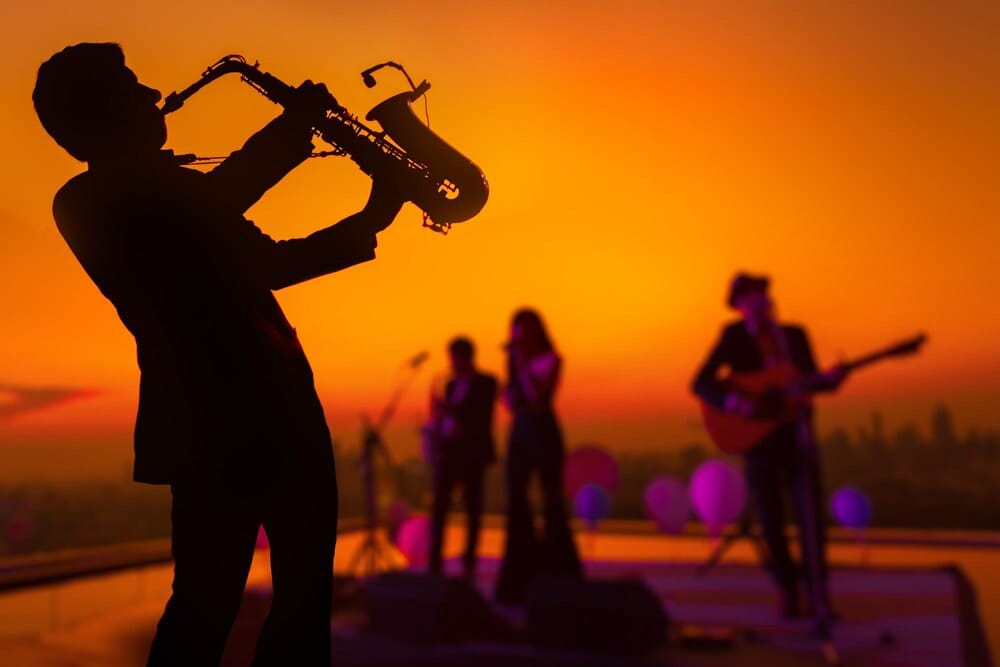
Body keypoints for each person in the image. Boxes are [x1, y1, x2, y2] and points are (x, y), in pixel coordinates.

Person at [33, 43, 406, 666]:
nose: (153, 95)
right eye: (133, 87)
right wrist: (367, 209)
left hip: (244, 419)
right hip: (242, 423)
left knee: (244, 604)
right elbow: (243, 235)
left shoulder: (136, 195)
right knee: (227, 608)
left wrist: (303, 139)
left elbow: (228, 220)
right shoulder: (94, 200)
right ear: (104, 113)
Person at [691, 272, 846, 629]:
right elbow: (700, 382)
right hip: (757, 439)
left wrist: (829, 382)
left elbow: (809, 382)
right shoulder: (732, 337)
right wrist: (737, 403)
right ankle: (787, 589)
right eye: (748, 296)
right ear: (738, 305)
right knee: (770, 519)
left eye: (761, 293)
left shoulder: (794, 336)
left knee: (810, 517)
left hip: (797, 432)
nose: (758, 300)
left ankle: (819, 593)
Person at [495, 308, 582, 605]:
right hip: (520, 431)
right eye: (518, 330)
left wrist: (520, 364)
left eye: (528, 330)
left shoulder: (551, 359)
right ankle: (519, 575)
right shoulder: (514, 362)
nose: (523, 336)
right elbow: (514, 401)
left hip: (543, 429)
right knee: (517, 500)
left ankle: (559, 572)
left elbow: (537, 396)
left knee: (551, 500)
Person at [425, 336, 498, 583]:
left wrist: (448, 411)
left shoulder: (487, 383)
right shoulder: (452, 385)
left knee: (473, 509)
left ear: (465, 357)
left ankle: (469, 562)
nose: (452, 363)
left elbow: (479, 417)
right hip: (450, 453)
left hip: (473, 454)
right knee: (440, 508)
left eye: (454, 357)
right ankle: (435, 562)